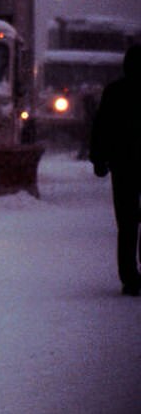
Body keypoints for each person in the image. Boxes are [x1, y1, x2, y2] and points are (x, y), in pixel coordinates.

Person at [89, 44, 141, 296]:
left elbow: (102, 127)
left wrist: (99, 159)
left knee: (127, 225)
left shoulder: (115, 92)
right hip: (130, 164)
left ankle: (130, 277)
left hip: (124, 167)